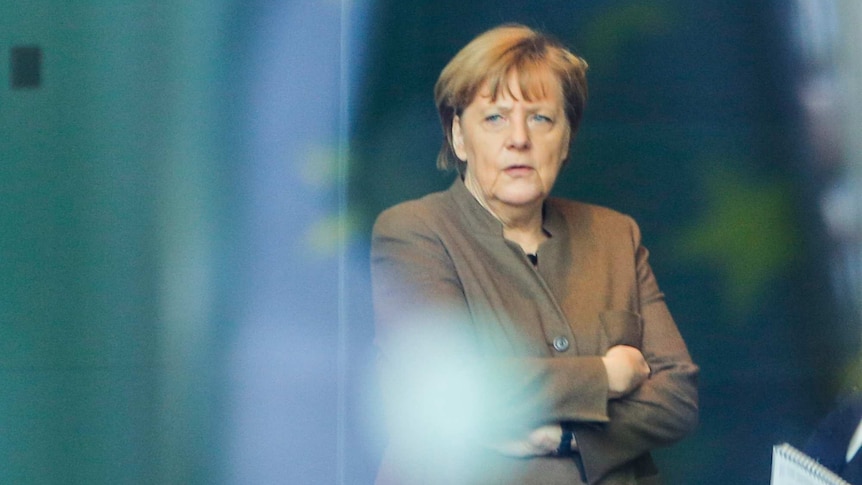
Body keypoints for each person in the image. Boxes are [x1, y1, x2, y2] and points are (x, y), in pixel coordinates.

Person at [370, 24, 699, 485]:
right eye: (495, 118)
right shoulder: (412, 233)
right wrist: (605, 375)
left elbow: (676, 400)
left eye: (541, 118)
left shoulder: (615, 234)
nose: (519, 139)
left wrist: (564, 439)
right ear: (459, 137)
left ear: (566, 141)